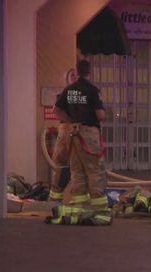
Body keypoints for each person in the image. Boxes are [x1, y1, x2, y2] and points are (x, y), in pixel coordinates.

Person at [54, 60, 109, 209]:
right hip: (88, 134)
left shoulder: (69, 90)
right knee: (94, 169)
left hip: (73, 132)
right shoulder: (92, 90)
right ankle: (99, 204)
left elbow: (57, 110)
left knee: (76, 169)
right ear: (89, 72)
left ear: (77, 72)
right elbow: (100, 115)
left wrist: (71, 120)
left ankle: (79, 201)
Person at [49, 68, 78, 201]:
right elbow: (56, 110)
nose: (74, 78)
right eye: (72, 75)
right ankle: (56, 196)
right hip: (68, 130)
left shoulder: (78, 95)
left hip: (76, 130)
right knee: (62, 163)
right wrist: (70, 121)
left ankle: (63, 195)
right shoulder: (66, 94)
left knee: (74, 164)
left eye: (76, 75)